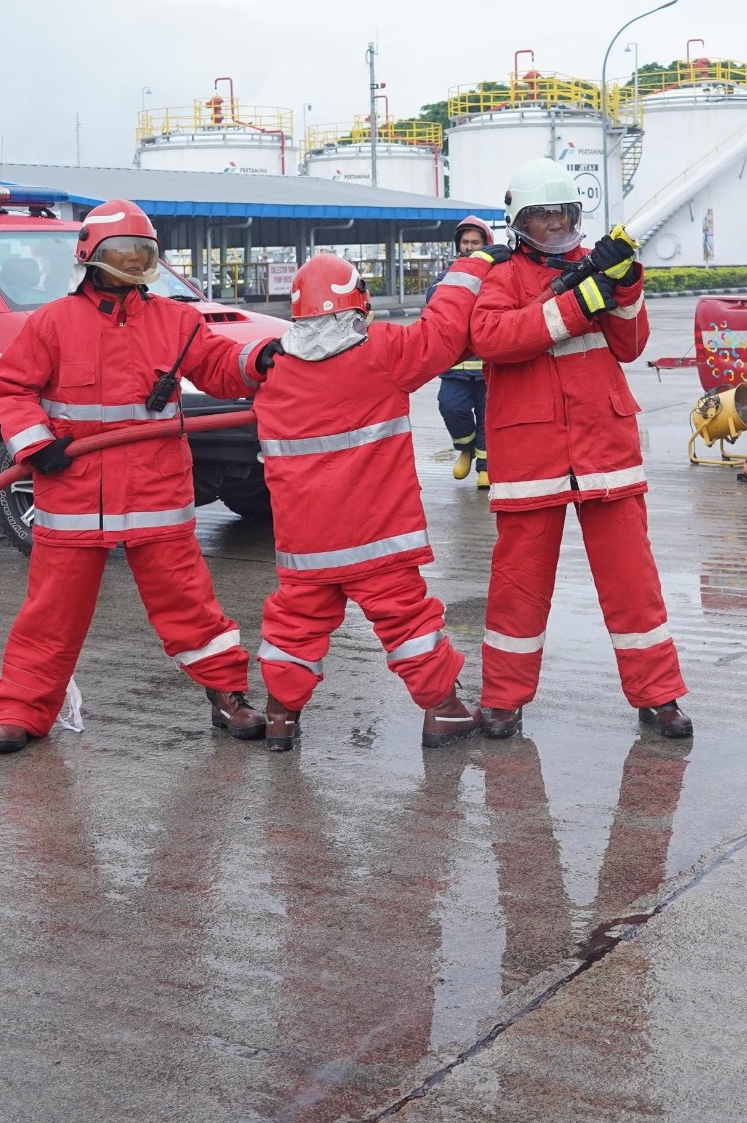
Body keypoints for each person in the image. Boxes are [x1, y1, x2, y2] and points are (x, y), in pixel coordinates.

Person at [0, 198, 276, 755]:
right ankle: (21, 709)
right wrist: (37, 445)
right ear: (92, 257)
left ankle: (227, 695)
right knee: (51, 613)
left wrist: (262, 359)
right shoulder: (51, 323)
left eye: (144, 254)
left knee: (190, 605)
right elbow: (8, 389)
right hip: (73, 492)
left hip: (155, 493)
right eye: (124, 253)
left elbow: (219, 365)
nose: (135, 264)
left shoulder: (177, 320)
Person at [468, 159, 691, 740]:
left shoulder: (597, 267)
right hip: (531, 456)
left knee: (633, 582)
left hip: (604, 448)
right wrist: (576, 301)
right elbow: (493, 337)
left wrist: (625, 287)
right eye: (544, 215)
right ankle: (502, 700)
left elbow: (630, 345)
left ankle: (659, 695)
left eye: (565, 213)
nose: (557, 223)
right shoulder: (499, 275)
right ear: (520, 221)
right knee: (518, 586)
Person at [249, 248, 498, 750]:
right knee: (408, 623)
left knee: (294, 625)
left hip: (306, 545)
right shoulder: (382, 351)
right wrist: (473, 263)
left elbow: (218, 361)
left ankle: (280, 717)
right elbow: (444, 330)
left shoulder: (272, 369)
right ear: (358, 305)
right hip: (376, 538)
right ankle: (443, 711)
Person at [430, 215, 497, 487]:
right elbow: (433, 298)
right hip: (455, 366)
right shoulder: (449, 273)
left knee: (487, 415)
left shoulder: (496, 274)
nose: (469, 247)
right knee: (451, 406)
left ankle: (485, 466)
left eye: (475, 242)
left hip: (487, 363)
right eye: (465, 242)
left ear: (486, 245)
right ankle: (465, 449)